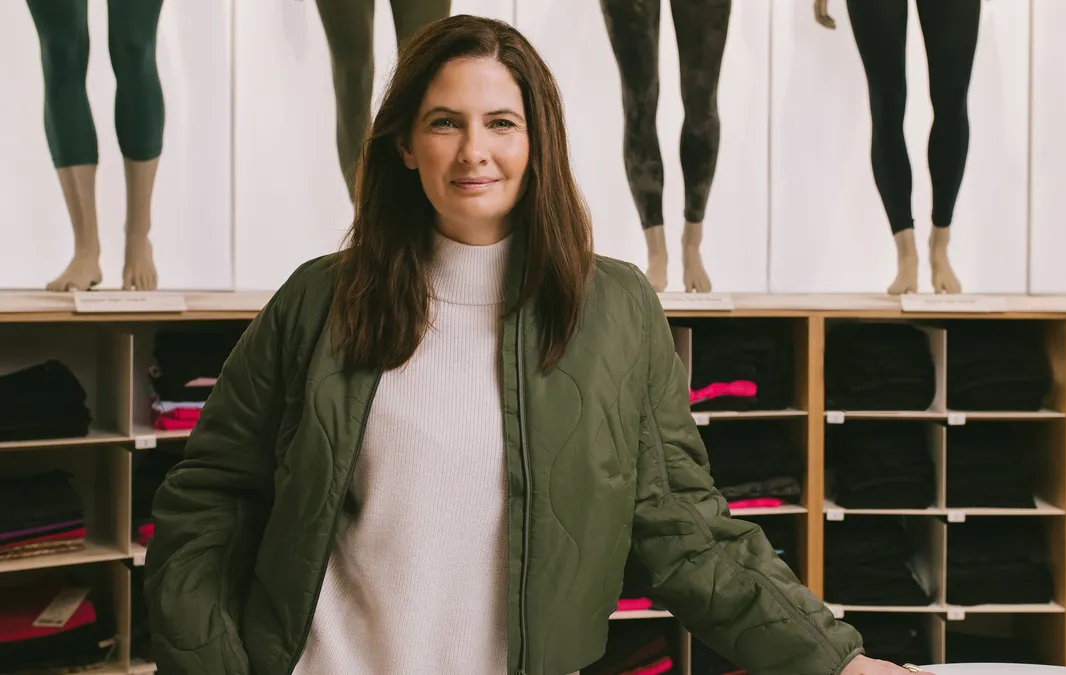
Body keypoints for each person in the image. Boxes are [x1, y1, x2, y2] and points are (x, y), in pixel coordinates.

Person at [144, 14, 928, 675]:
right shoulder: (318, 300)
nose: (472, 150)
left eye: (501, 123)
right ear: (405, 145)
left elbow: (685, 527)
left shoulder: (614, 309)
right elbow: (206, 500)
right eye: (444, 122)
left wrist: (836, 658)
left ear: (538, 140)